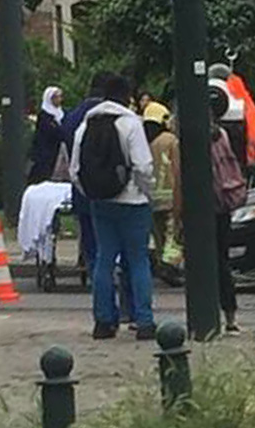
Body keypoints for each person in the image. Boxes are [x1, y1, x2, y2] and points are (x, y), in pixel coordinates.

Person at [71, 75, 157, 340]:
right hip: (132, 201)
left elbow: (75, 171)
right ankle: (143, 320)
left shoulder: (86, 125)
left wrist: (93, 193)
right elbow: (142, 166)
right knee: (138, 260)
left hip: (101, 202)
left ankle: (103, 321)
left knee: (104, 259)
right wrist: (148, 191)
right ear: (127, 97)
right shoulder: (131, 123)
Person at [61, 73, 114, 275]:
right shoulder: (110, 114)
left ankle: (94, 273)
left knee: (89, 234)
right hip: (108, 186)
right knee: (107, 237)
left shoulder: (72, 116)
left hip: (82, 186)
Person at [210, 113, 246, 334]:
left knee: (203, 263)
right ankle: (230, 315)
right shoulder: (221, 134)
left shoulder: (188, 137)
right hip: (223, 204)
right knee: (223, 262)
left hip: (203, 207)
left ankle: (208, 316)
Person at [143, 102, 182, 285]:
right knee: (173, 234)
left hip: (152, 198)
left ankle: (160, 263)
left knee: (158, 235)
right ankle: (170, 266)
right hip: (170, 196)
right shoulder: (170, 140)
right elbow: (176, 169)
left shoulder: (144, 142)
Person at [28, 87, 66, 185]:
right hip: (45, 155)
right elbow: (53, 132)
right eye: (56, 97)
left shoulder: (63, 113)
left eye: (60, 97)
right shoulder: (44, 116)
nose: (59, 100)